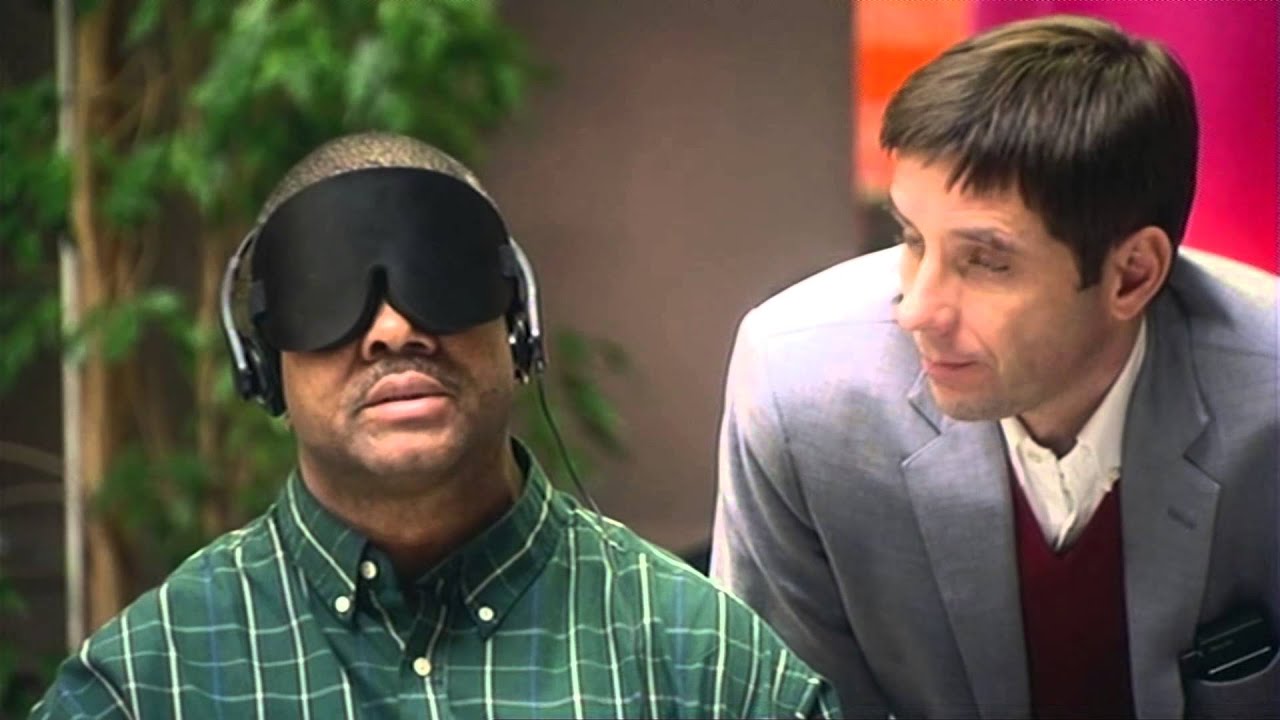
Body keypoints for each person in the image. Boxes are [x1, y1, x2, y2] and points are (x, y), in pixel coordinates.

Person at [33, 132, 840, 719]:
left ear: (516, 323)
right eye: (331, 290)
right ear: (263, 358)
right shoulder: (149, 683)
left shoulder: (704, 665)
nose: (393, 329)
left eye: (437, 274)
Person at [711, 15, 1278, 720]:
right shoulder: (799, 390)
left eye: (985, 261)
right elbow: (779, 703)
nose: (918, 309)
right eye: (911, 239)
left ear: (1132, 274)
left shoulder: (1265, 398)